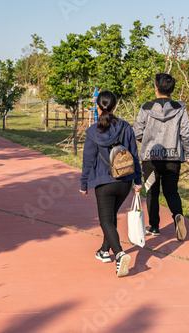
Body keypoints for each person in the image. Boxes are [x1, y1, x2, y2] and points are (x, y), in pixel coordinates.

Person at [80, 90, 142, 277]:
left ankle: (119, 253)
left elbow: (88, 160)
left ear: (98, 107)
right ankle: (104, 251)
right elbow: (134, 156)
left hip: (104, 182)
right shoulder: (125, 127)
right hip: (125, 181)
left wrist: (84, 184)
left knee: (106, 220)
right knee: (111, 216)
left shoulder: (92, 132)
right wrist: (138, 181)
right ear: (115, 106)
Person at [133, 73, 189, 241]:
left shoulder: (146, 107)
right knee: (171, 192)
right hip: (173, 158)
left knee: (152, 191)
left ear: (156, 89)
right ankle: (177, 217)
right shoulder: (180, 107)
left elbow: (137, 131)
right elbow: (186, 133)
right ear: (172, 89)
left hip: (151, 159)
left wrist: (143, 140)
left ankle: (154, 226)